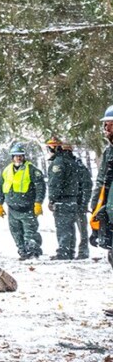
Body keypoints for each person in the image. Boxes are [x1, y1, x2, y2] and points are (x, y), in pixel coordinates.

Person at [0, 142, 45, 260]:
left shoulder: (32, 170)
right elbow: (0, 188)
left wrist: (38, 203)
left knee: (30, 233)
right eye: (16, 156)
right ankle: (23, 252)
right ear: (12, 157)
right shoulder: (6, 171)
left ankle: (33, 252)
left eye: (21, 155)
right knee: (16, 234)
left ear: (24, 156)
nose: (18, 158)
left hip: (27, 209)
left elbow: (40, 187)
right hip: (12, 209)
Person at [45, 136, 80, 259]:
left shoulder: (58, 162)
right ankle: (69, 251)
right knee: (70, 227)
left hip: (63, 200)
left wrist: (52, 199)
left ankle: (64, 252)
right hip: (72, 200)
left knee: (63, 227)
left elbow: (55, 182)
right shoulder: (72, 161)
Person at [91, 105, 113, 266]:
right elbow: (101, 182)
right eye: (106, 125)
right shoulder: (108, 152)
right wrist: (95, 210)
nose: (107, 129)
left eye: (111, 124)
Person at [62, 141, 92, 260]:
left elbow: (87, 185)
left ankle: (83, 251)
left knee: (82, 230)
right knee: (68, 229)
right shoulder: (64, 165)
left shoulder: (79, 166)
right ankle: (69, 251)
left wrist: (84, 202)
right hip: (69, 202)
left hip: (78, 202)